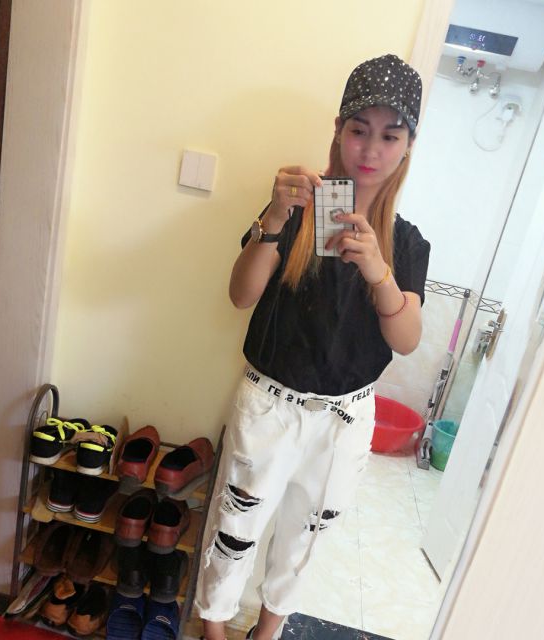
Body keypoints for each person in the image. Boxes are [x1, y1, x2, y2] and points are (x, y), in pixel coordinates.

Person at [195, 54, 430, 640]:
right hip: (269, 404)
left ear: (408, 146)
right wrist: (276, 215)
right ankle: (213, 630)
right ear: (338, 130)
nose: (370, 149)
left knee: (306, 537)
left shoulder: (405, 242)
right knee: (234, 529)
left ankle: (267, 630)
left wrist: (378, 271)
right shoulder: (296, 212)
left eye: (390, 135)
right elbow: (240, 296)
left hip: (344, 417)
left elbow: (406, 340)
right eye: (358, 129)